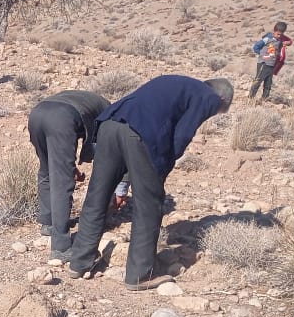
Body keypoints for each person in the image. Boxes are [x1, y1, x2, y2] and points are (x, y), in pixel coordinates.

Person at [67, 75, 233, 290]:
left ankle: (79, 262)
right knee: (149, 205)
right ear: (221, 98)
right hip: (141, 134)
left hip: (110, 125)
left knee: (97, 196)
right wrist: (161, 169)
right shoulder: (208, 96)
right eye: (218, 110)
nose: (213, 113)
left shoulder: (179, 84)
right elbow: (183, 134)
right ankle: (139, 275)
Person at [27, 90, 110, 258]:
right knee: (62, 182)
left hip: (37, 114)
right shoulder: (110, 114)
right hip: (62, 118)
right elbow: (102, 151)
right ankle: (61, 248)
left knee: (47, 170)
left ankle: (48, 222)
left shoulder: (92, 101)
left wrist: (71, 167)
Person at [249, 21, 292, 101]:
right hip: (263, 63)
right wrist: (262, 55)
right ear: (274, 31)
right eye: (278, 34)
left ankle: (265, 98)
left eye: (281, 34)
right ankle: (251, 98)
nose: (279, 36)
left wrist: (287, 43)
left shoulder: (280, 41)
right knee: (258, 80)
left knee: (268, 83)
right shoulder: (267, 39)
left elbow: (289, 41)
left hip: (272, 65)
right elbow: (256, 47)